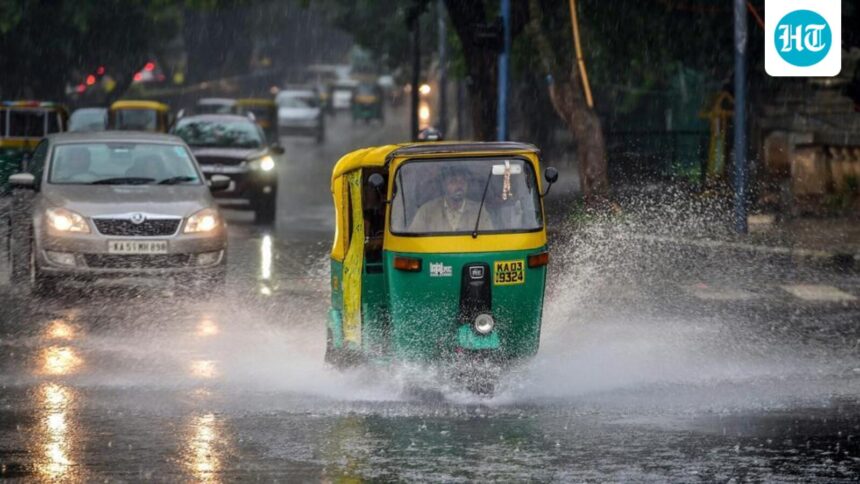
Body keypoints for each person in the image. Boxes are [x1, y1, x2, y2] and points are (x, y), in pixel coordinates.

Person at [409, 166, 494, 233]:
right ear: (444, 185)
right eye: (453, 181)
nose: (459, 186)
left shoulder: (479, 211)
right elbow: (413, 241)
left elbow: (490, 240)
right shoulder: (427, 211)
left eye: (463, 181)